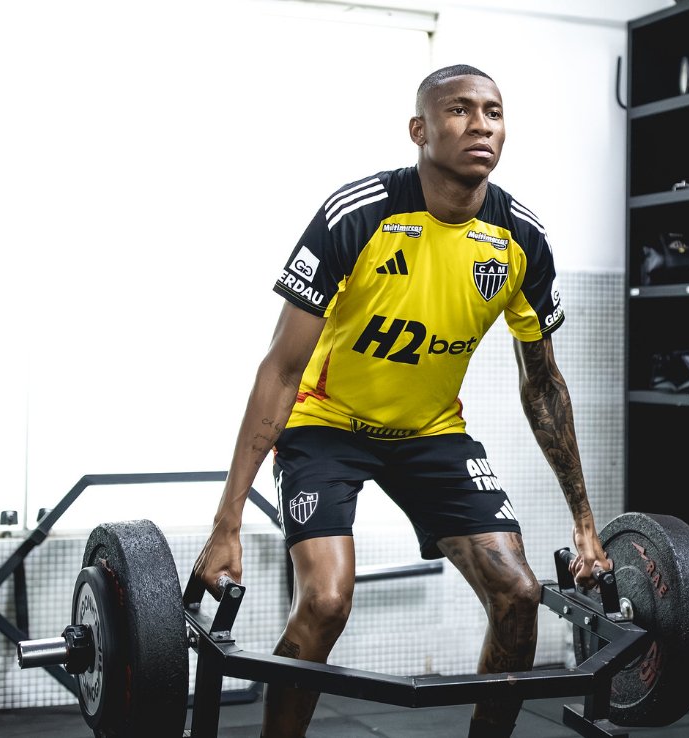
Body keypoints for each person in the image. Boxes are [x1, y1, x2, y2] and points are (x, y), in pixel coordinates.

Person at [191, 64, 612, 738]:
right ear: (419, 129)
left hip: (430, 434)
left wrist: (585, 522)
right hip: (326, 425)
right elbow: (281, 368)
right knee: (326, 601)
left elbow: (543, 383)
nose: (480, 124)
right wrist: (228, 520)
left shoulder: (521, 239)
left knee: (521, 595)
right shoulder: (357, 214)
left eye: (494, 111)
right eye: (459, 110)